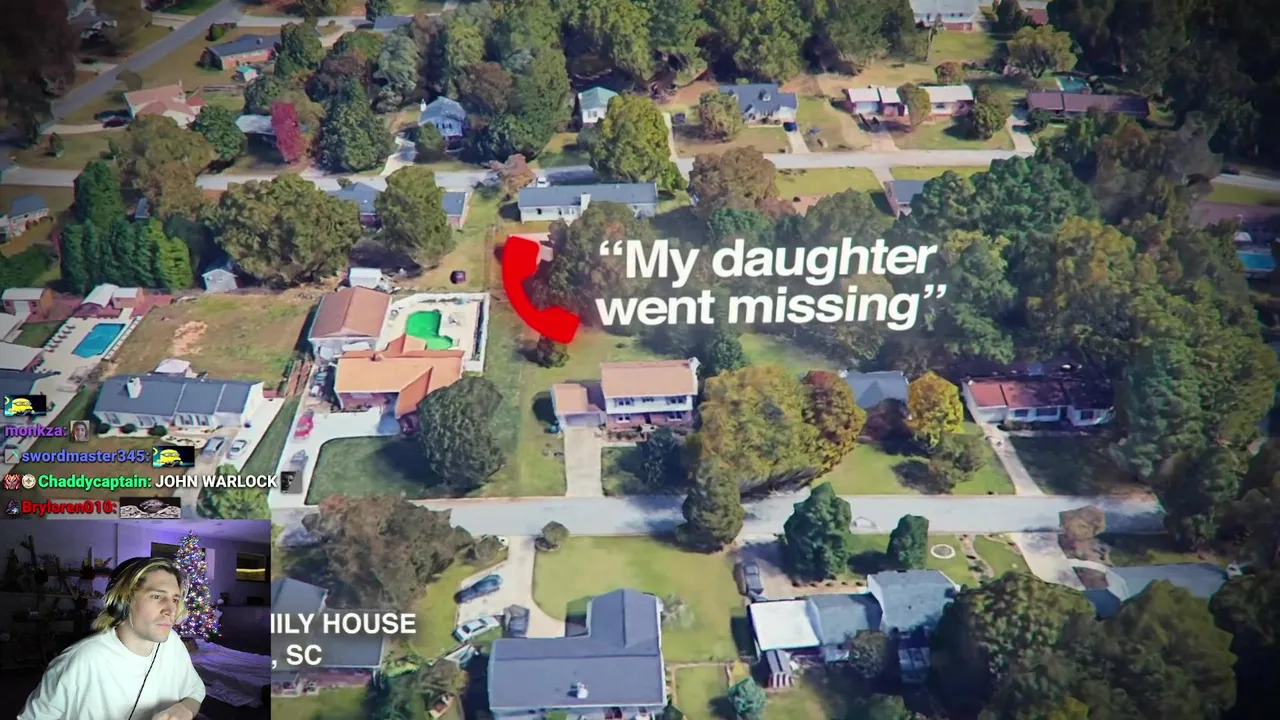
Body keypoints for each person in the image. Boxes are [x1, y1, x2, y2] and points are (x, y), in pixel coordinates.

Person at [18, 557, 206, 720]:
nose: (171, 610)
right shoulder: (79, 661)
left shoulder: (172, 643)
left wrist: (184, 709)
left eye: (175, 599)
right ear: (123, 602)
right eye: (157, 596)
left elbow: (195, 691)